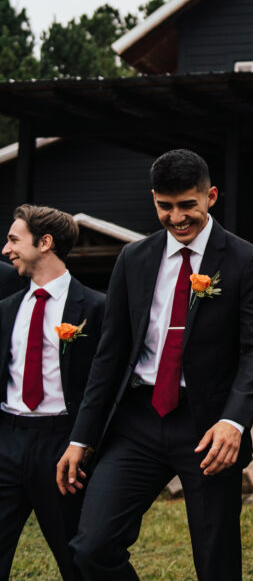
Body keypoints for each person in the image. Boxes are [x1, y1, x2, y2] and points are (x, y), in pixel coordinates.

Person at [55, 149, 253, 580]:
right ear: (154, 200)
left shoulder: (246, 260)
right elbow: (110, 355)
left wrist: (235, 421)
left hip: (208, 426)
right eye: (165, 206)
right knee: (92, 547)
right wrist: (82, 436)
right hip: (137, 421)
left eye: (187, 205)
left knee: (216, 561)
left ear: (210, 196)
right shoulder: (133, 259)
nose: (177, 218)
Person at [1, 205, 104, 580]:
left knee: (75, 557)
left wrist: (85, 442)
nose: (5, 249)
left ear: (45, 243)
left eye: (14, 240)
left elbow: (103, 384)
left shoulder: (95, 308)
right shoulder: (6, 309)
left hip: (63, 446)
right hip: (6, 438)